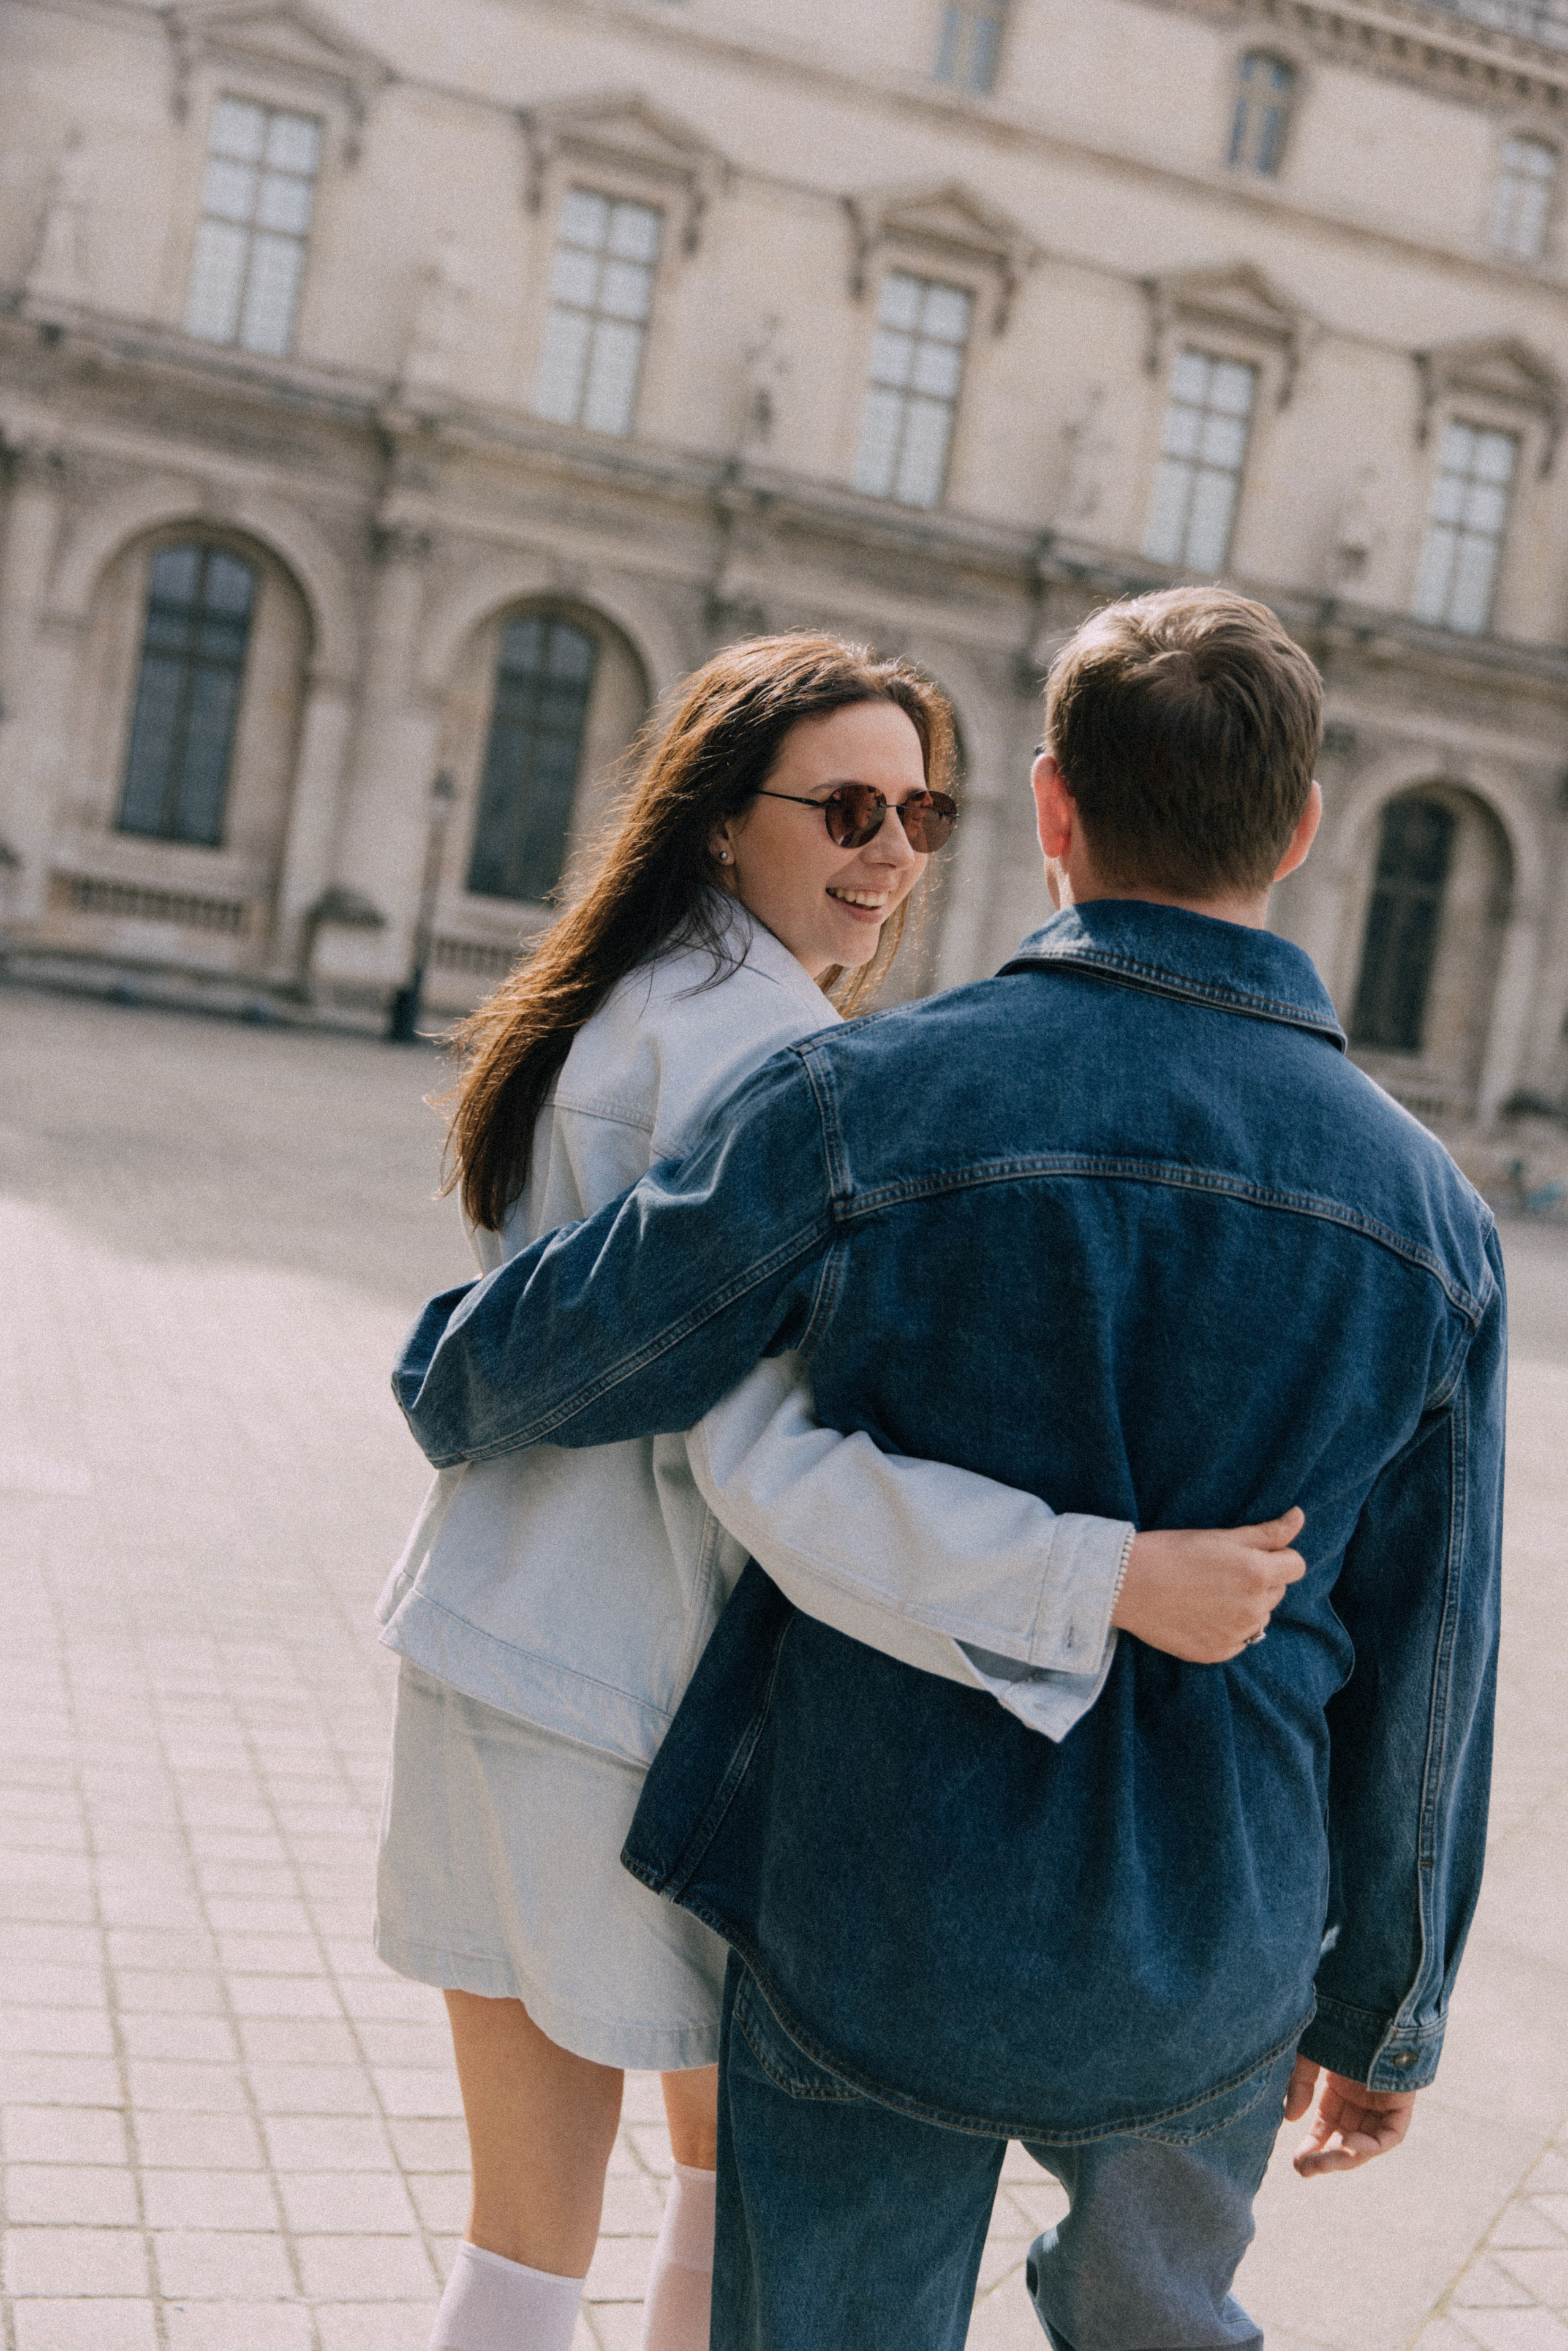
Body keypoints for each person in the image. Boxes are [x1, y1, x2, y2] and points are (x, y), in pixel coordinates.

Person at [393, 589, 1506, 2351]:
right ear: (1302, 830)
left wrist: (441, 1367)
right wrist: (1387, 2006)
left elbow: (575, 1364)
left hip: (875, 1891)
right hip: (1213, 1914)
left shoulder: (868, 1097)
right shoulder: (1435, 1216)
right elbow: (1433, 1654)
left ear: (1052, 805)